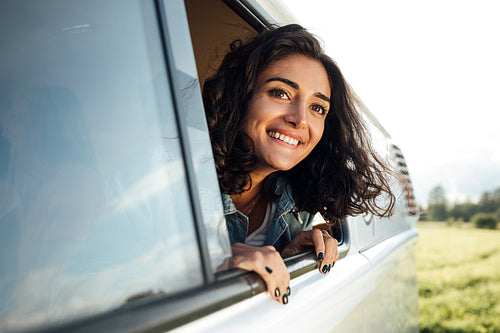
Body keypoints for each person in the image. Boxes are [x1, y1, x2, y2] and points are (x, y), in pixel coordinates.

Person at [202, 24, 396, 305]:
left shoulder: (297, 200)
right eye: (280, 93)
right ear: (240, 96)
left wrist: (289, 251)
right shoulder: (170, 182)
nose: (300, 119)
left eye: (317, 108)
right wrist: (212, 263)